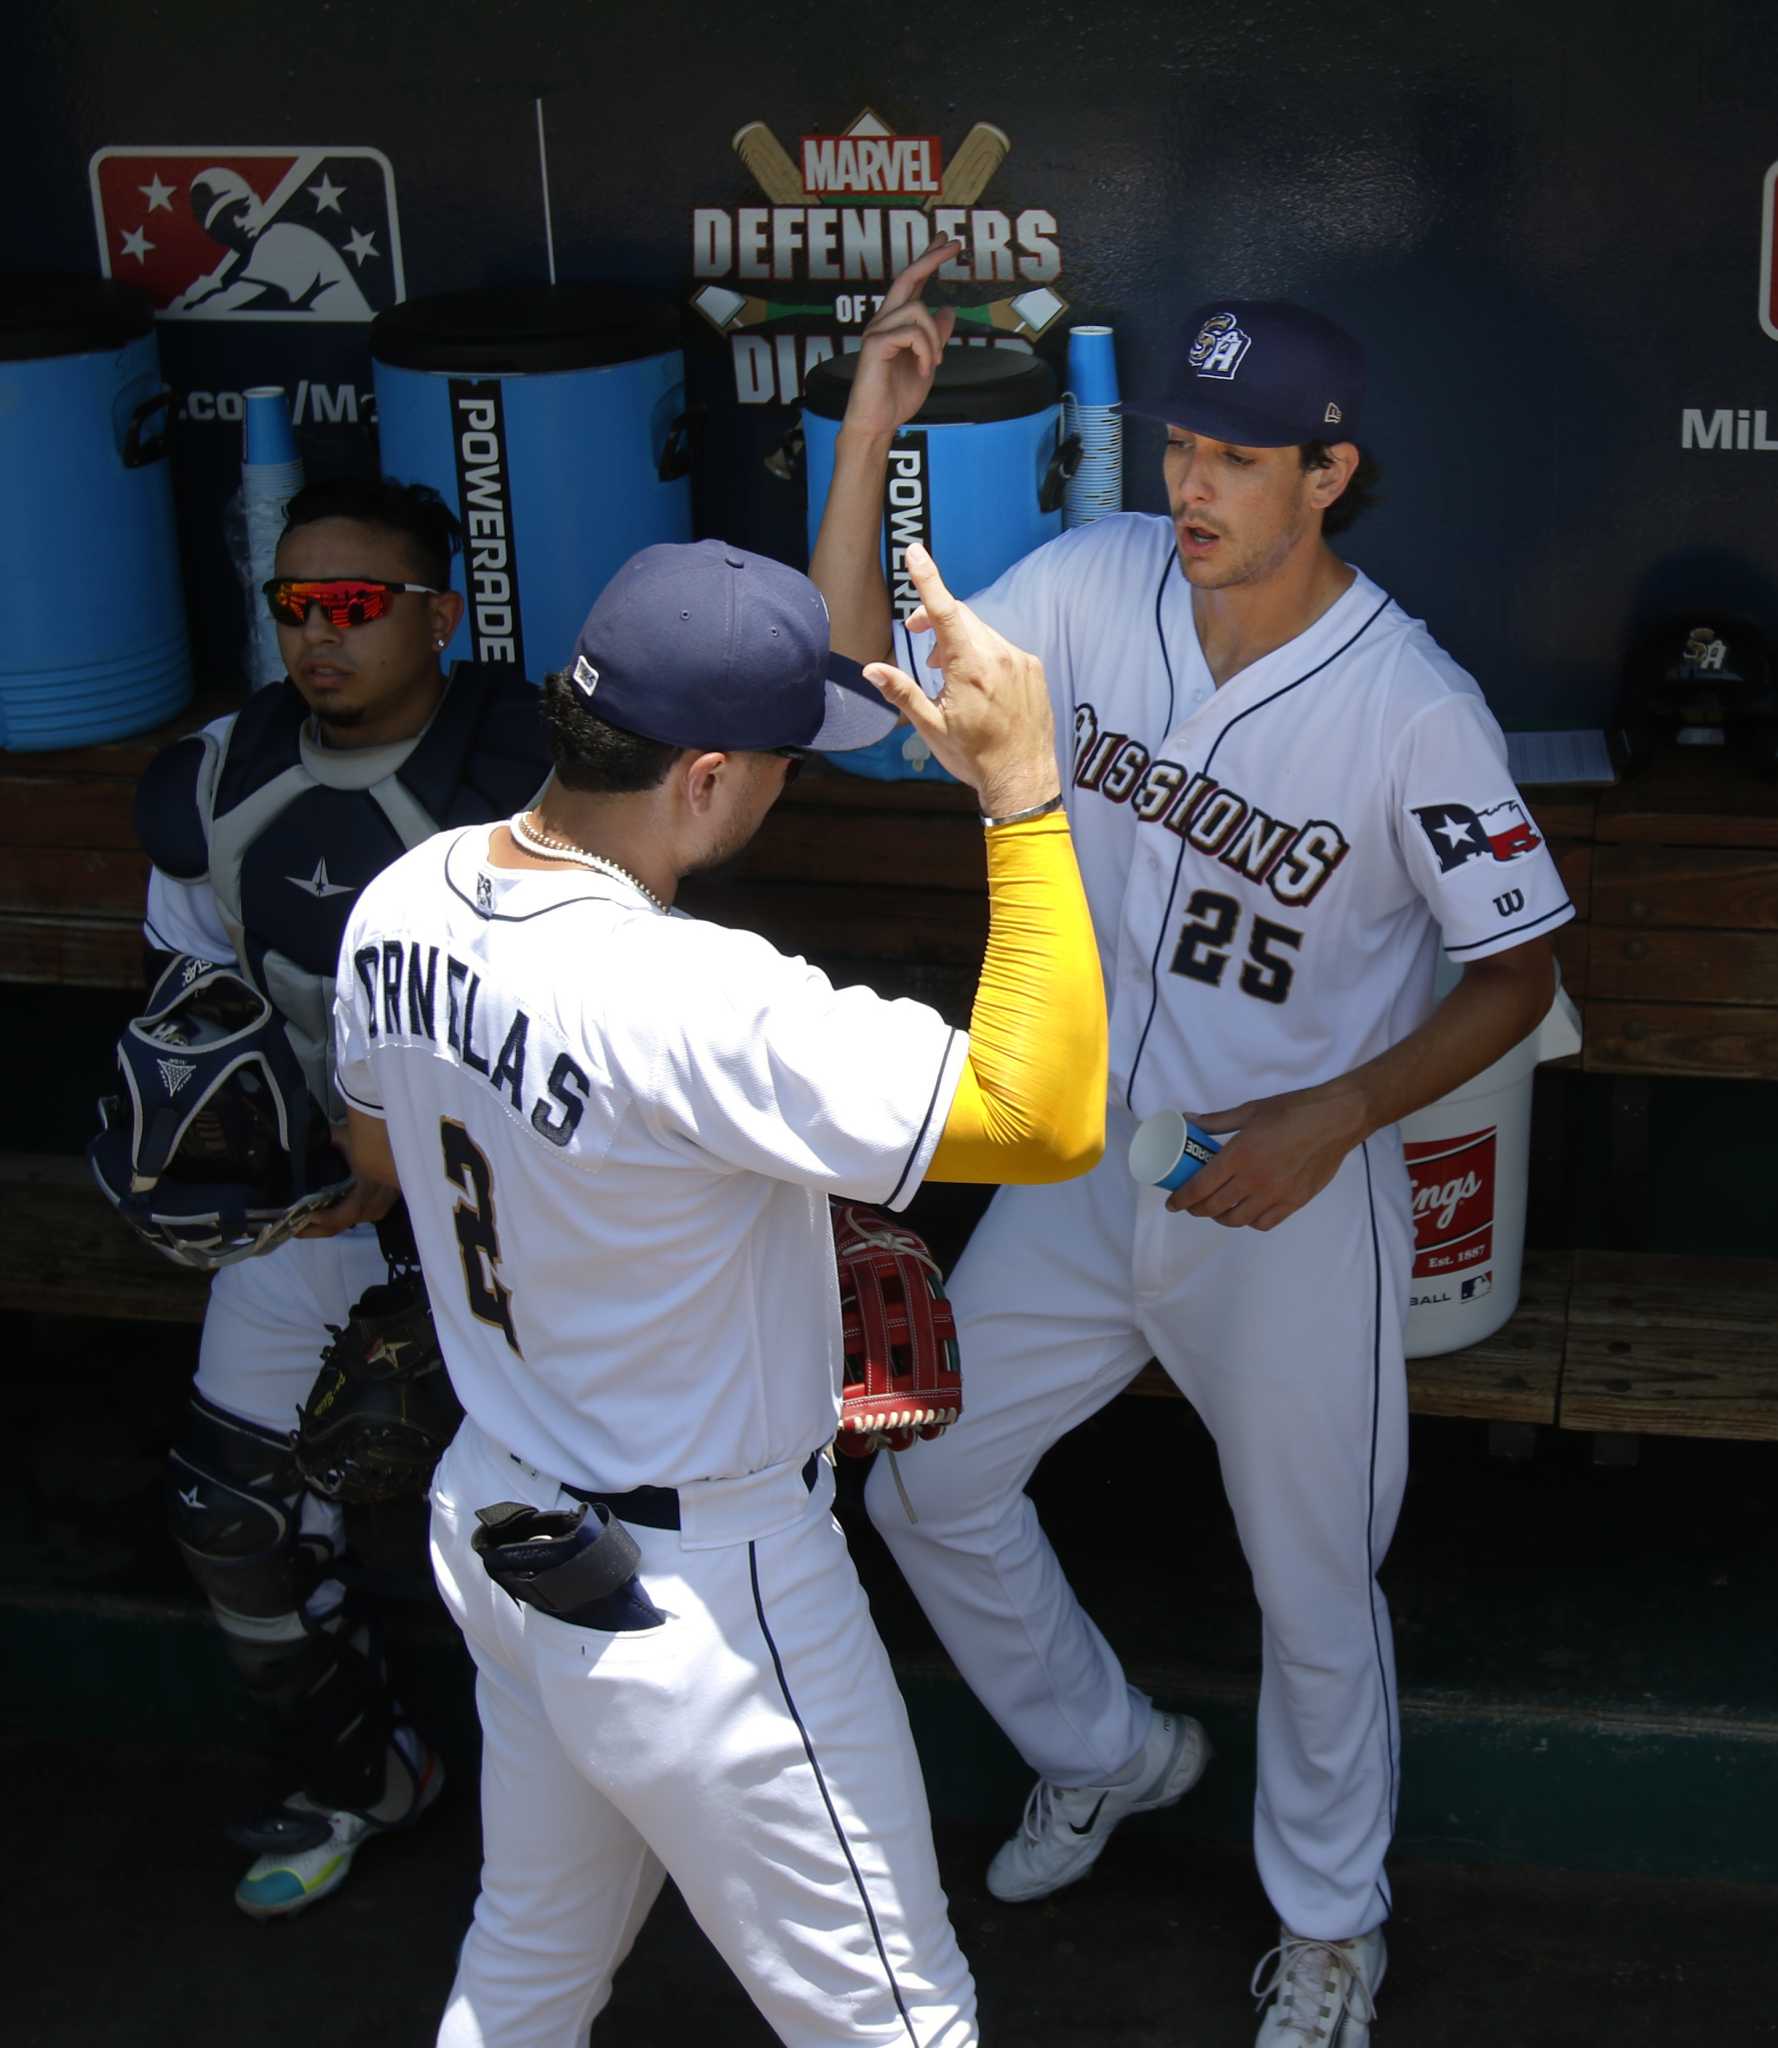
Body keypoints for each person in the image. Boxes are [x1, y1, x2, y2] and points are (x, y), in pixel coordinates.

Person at [809, 246, 1575, 2047]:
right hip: (1083, 1167)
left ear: (1330, 476)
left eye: (1243, 456)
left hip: (1289, 1202)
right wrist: (864, 440)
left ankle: (1329, 1925)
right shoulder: (1088, 585)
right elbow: (851, 704)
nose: (1195, 485)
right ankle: (1111, 1752)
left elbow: (1520, 966)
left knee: (1311, 1588)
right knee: (925, 1481)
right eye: (1182, 446)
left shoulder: (1413, 706)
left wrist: (1337, 1115)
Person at [329, 537, 1107, 2046]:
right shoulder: (687, 993)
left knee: (532, 1964)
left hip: (498, 1515)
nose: (780, 784)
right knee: (902, 2023)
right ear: (698, 776)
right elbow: (1043, 1118)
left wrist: (637, 1204)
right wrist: (1024, 798)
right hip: (701, 1580)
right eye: (772, 763)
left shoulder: (408, 891)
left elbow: (374, 1145)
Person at [128, 475, 550, 1917]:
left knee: (561, 1541)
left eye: (357, 606)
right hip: (327, 1198)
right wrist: (226, 1150)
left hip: (524, 1223)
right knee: (231, 1514)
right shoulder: (214, 780)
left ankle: (633, 1829)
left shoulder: (540, 776)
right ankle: (359, 1780)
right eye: (295, 607)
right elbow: (195, 1010)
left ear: (439, 615)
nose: (321, 635)